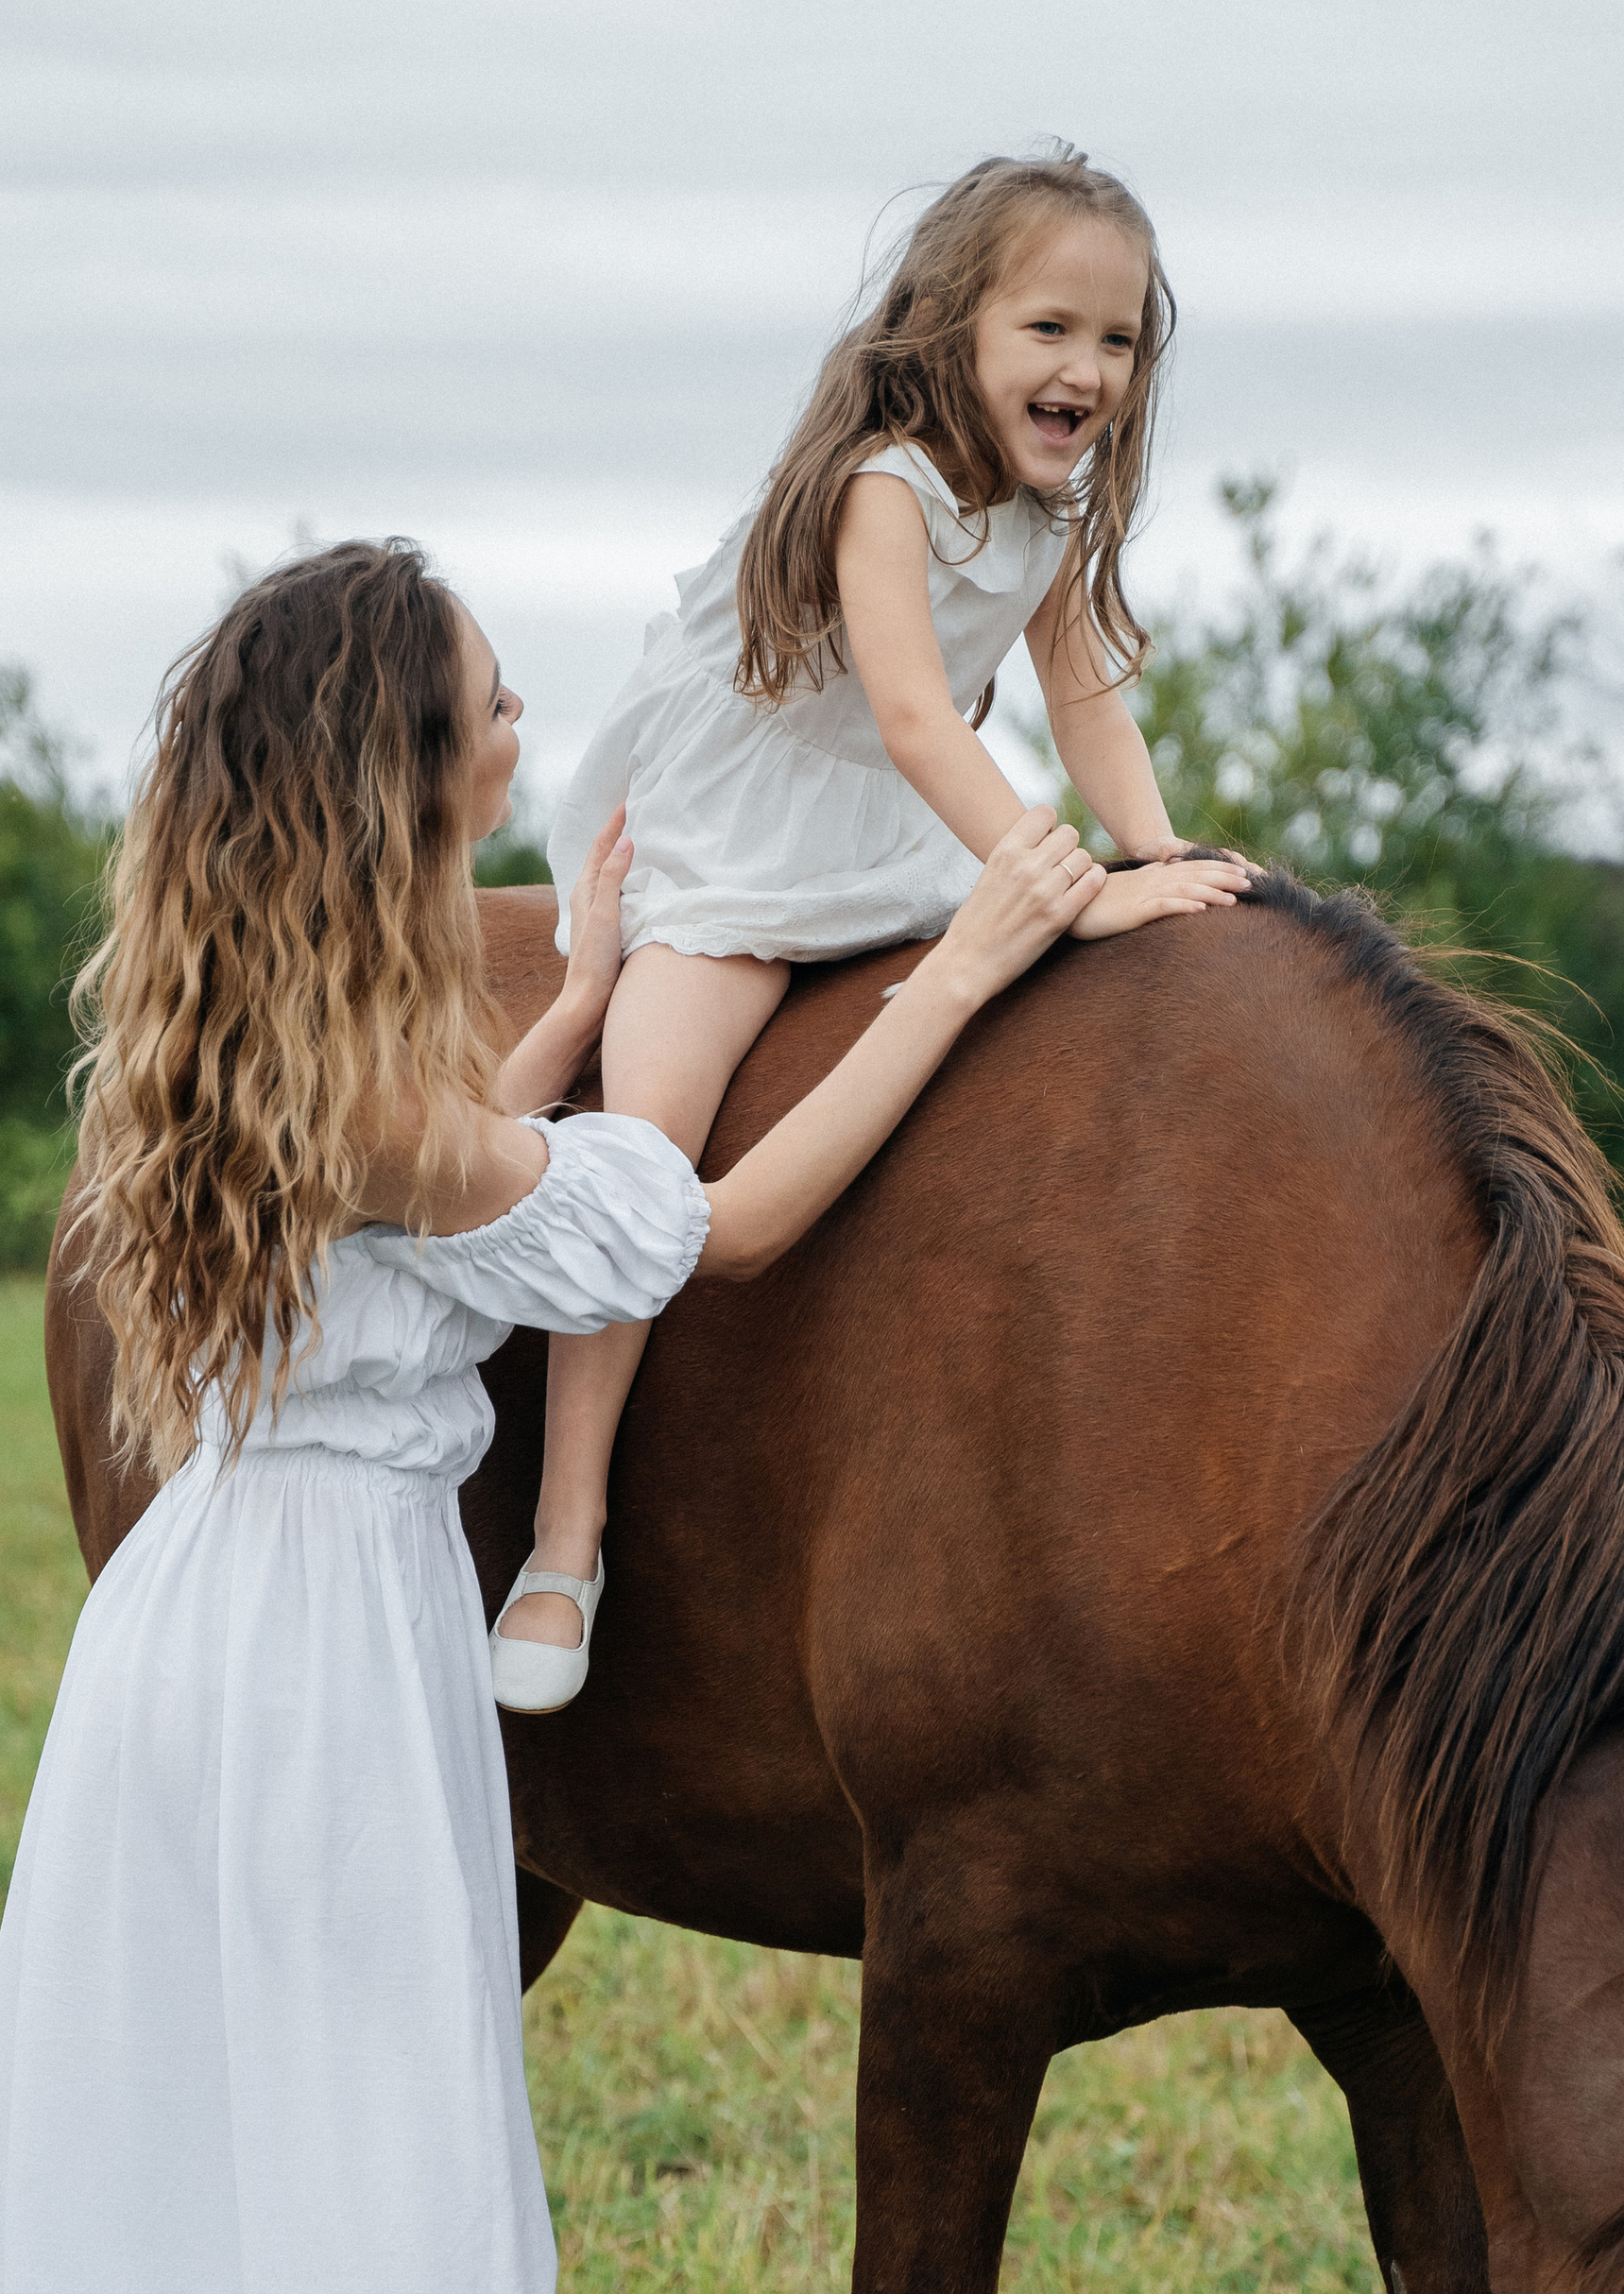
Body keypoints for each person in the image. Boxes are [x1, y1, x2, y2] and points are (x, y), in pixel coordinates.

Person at [0, 539, 1115, 2294]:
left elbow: (432, 1182)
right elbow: (696, 1233)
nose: (528, 723)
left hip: (187, 1634)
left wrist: (584, 984)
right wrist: (951, 971)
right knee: (380, 2186)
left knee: (171, 2162)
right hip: (333, 1657)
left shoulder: (221, 1038)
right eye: (488, 706)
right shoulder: (389, 1108)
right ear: (400, 778)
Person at [491, 145, 1250, 1710]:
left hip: (889, 836)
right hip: (743, 824)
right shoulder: (882, 487)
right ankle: (568, 1532)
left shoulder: (1049, 516)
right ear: (950, 327)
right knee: (650, 1142)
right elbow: (913, 714)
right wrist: (1070, 887)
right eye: (1051, 329)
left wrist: (1160, 846)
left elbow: (1084, 692)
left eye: (1117, 342)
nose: (1087, 371)